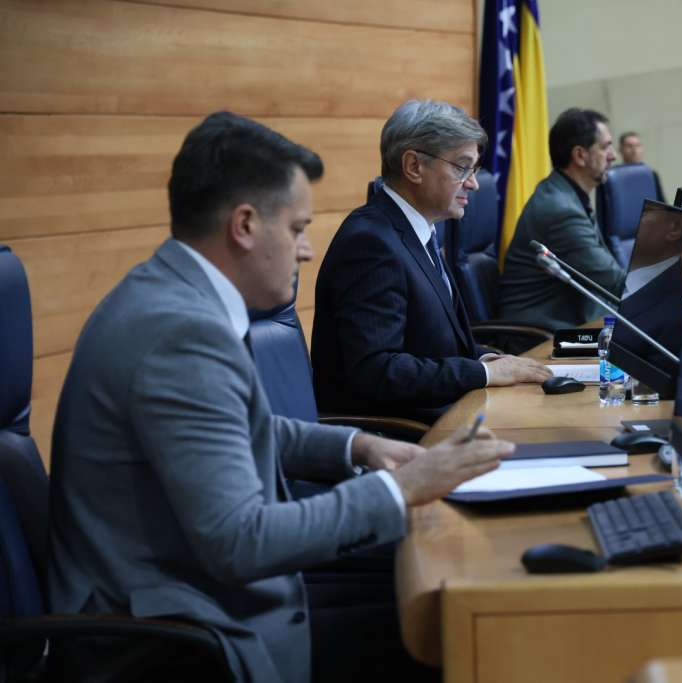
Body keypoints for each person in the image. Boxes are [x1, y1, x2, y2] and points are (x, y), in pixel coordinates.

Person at [46, 111, 514, 683]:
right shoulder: (178, 334)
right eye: (296, 229)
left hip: (202, 587)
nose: (307, 250)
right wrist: (401, 488)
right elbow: (241, 542)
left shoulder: (171, 294)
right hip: (178, 633)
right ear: (244, 225)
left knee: (441, 574)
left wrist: (357, 447)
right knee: (459, 624)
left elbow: (243, 425)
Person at [311, 100, 550, 424]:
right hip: (400, 433)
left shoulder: (418, 232)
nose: (473, 183)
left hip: (443, 413)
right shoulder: (371, 243)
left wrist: (489, 361)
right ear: (414, 166)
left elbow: (434, 346)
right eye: (462, 167)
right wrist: (482, 373)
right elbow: (376, 371)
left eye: (473, 169)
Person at [499, 108, 626, 330]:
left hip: (568, 321)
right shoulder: (561, 210)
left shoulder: (564, 194)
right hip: (540, 335)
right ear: (580, 155)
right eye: (605, 147)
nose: (613, 156)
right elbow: (614, 282)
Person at [619, 131, 665, 201]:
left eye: (638, 145)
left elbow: (661, 202)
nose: (635, 151)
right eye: (629, 146)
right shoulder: (614, 177)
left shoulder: (652, 175)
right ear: (621, 149)